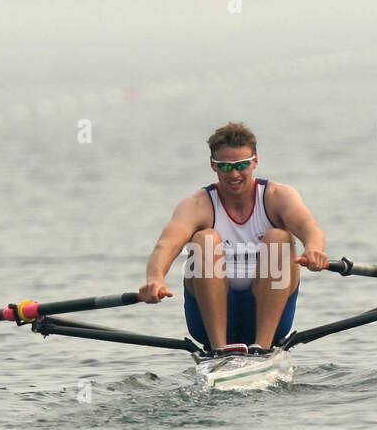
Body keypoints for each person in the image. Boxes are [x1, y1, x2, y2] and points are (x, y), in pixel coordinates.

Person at [138, 122, 328, 354]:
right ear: (212, 165)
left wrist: (314, 249)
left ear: (255, 161)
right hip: (207, 319)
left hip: (270, 314)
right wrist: (155, 279)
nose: (234, 174)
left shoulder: (277, 196)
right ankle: (220, 350)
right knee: (204, 240)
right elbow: (165, 245)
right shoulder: (197, 205)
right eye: (225, 166)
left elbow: (309, 226)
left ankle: (263, 348)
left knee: (280, 237)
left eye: (242, 165)